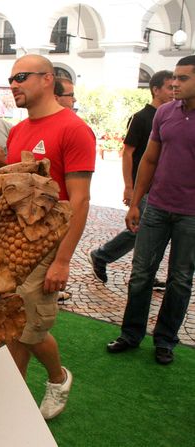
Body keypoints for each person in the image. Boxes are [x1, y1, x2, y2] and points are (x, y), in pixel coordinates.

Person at [3, 55, 96, 420]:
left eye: (21, 77)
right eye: (11, 79)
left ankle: (58, 378)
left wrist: (62, 260)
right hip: (16, 242)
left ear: (47, 79)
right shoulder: (17, 130)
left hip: (48, 243)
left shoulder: (73, 129)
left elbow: (80, 200)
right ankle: (16, 395)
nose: (13, 85)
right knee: (14, 321)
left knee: (31, 326)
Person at [106, 56, 195, 366]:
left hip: (191, 215)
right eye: (174, 78)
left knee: (180, 280)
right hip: (156, 207)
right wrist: (135, 202)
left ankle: (165, 340)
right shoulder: (165, 114)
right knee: (141, 274)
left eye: (183, 79)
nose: (175, 84)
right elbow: (149, 159)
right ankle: (131, 335)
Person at [88, 70, 174, 286]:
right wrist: (129, 186)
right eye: (169, 87)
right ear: (156, 90)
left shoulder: (172, 115)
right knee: (140, 229)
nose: (173, 91)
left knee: (153, 232)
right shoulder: (141, 117)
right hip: (142, 186)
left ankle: (146, 272)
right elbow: (127, 153)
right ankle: (102, 255)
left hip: (162, 187)